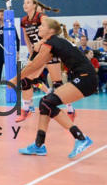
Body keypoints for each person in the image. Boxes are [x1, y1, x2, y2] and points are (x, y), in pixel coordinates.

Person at [11, 18, 95, 159]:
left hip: (85, 77)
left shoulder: (51, 42)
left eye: (42, 26)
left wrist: (15, 79)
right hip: (84, 77)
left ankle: (81, 138)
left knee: (47, 102)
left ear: (50, 30)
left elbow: (35, 65)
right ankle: (39, 145)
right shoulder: (54, 41)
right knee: (45, 104)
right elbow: (39, 64)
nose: (38, 28)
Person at [16, 0, 61, 122]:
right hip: (38, 52)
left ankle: (70, 110)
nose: (25, 4)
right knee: (25, 80)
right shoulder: (24, 21)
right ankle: (26, 110)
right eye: (24, 2)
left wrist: (41, 42)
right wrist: (31, 53)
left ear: (35, 5)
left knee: (57, 83)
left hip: (49, 50)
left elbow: (53, 32)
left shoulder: (42, 17)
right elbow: (26, 38)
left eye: (28, 2)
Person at [0, 9, 19, 99]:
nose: (0, 16)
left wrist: (17, 52)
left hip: (8, 53)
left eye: (2, 15)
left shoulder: (10, 26)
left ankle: (12, 92)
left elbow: (17, 39)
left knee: (11, 73)